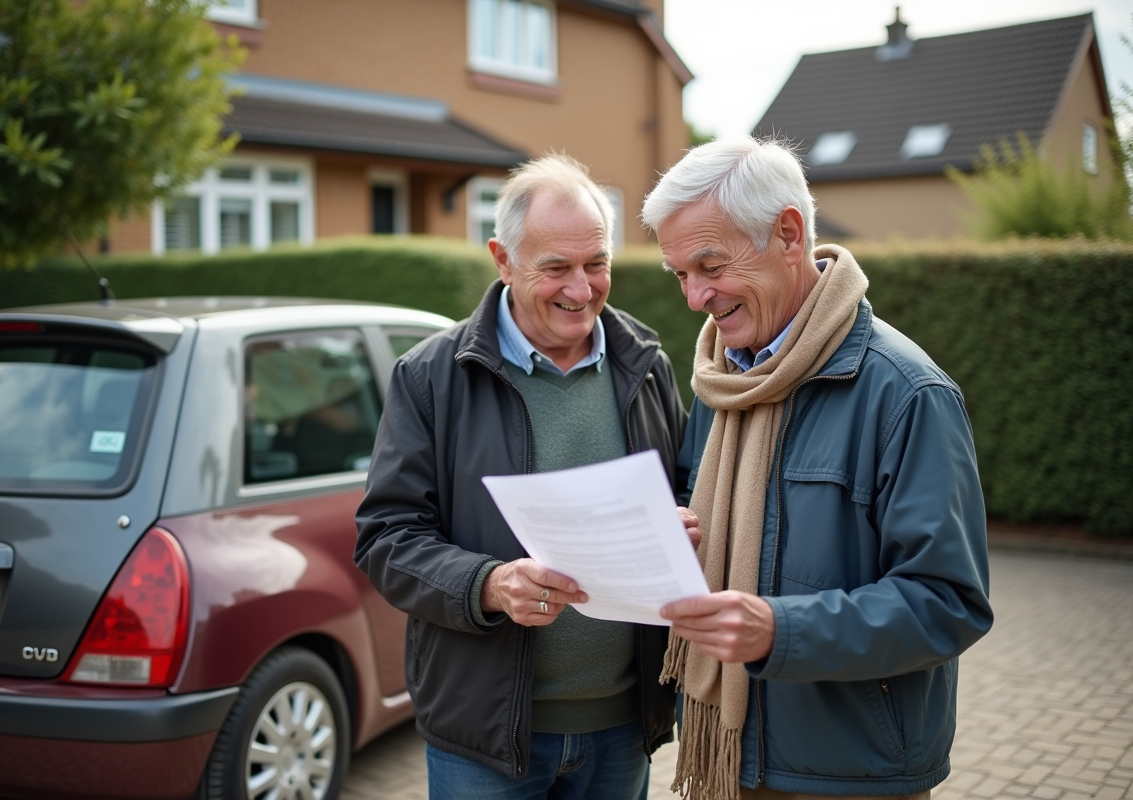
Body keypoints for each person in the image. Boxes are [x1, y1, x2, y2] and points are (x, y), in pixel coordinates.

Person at [641, 137, 994, 800]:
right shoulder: (719, 381)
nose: (694, 297)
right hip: (725, 760)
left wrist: (782, 630)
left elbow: (950, 604)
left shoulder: (907, 393)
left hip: (851, 774)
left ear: (789, 233)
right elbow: (701, 498)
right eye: (679, 273)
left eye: (709, 264)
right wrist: (679, 531)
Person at [355, 154, 690, 800]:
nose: (582, 287)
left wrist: (682, 522)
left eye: (596, 264)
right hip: (485, 737)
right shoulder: (430, 378)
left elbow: (678, 487)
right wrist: (489, 584)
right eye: (556, 268)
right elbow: (385, 540)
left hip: (622, 727)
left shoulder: (644, 362)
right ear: (502, 260)